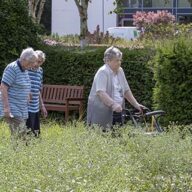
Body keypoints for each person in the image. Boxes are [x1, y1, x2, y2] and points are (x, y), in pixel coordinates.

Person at [87, 46, 144, 130]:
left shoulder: (120, 71)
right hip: (102, 112)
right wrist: (113, 104)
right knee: (103, 136)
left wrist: (136, 105)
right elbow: (100, 92)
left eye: (120, 60)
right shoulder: (103, 72)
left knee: (117, 135)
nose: (119, 62)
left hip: (118, 111)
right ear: (108, 61)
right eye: (117, 60)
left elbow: (126, 91)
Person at [0, 47, 38, 142]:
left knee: (18, 136)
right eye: (31, 62)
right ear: (24, 59)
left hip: (22, 108)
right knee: (21, 136)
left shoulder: (25, 69)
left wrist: (28, 93)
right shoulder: (12, 68)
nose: (33, 65)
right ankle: (19, 154)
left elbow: (25, 84)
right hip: (13, 108)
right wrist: (6, 108)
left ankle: (15, 153)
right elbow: (3, 87)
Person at [26, 50, 47, 137]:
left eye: (40, 62)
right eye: (37, 61)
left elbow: (38, 90)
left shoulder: (40, 71)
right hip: (26, 106)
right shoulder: (26, 69)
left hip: (35, 106)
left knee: (36, 134)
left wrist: (42, 106)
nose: (38, 64)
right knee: (27, 133)